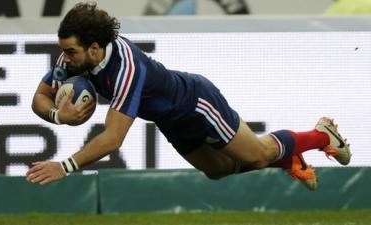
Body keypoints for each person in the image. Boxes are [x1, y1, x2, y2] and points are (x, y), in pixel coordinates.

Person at [26, 2, 351, 191]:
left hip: (196, 103)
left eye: (69, 51)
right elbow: (40, 96)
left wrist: (65, 166)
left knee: (257, 154)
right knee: (218, 170)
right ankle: (288, 157)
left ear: (94, 48)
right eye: (63, 51)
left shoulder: (126, 68)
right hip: (171, 120)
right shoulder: (71, 61)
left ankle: (321, 134)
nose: (63, 58)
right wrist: (58, 116)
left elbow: (112, 139)